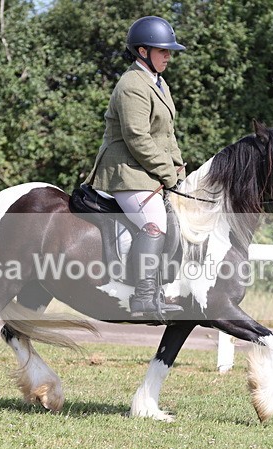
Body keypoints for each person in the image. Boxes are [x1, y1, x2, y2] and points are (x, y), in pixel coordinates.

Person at [85, 16, 187, 319]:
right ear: (143, 51)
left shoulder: (159, 83)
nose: (168, 55)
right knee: (153, 221)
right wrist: (166, 173)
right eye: (162, 50)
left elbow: (166, 134)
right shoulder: (132, 84)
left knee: (174, 219)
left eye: (169, 51)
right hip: (125, 171)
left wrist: (178, 166)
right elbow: (137, 137)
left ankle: (158, 288)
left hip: (146, 170)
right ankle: (143, 298)